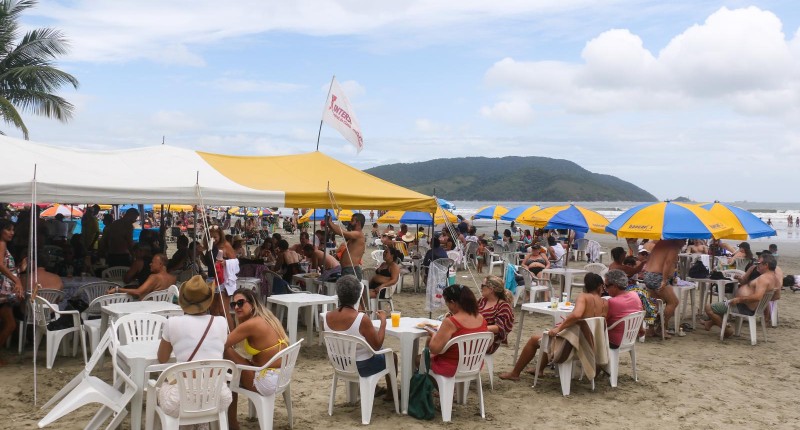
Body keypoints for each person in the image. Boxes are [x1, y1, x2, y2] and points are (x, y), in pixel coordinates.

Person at [499, 273, 607, 381]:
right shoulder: (604, 303)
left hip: (574, 344)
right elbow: (594, 322)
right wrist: (570, 324)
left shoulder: (583, 297)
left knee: (536, 339)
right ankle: (539, 369)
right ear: (599, 286)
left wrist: (560, 328)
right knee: (550, 335)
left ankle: (515, 373)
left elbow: (577, 315)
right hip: (592, 343)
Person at [156, 275, 231, 420]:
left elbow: (162, 358)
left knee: (158, 389)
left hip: (182, 400)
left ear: (183, 301)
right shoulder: (221, 322)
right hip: (218, 398)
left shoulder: (172, 323)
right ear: (208, 302)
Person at [224, 288, 290, 428]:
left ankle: (232, 424)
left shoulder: (251, 324)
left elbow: (222, 344)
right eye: (233, 304)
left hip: (266, 381)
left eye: (241, 303)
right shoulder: (269, 317)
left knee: (227, 365)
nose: (236, 307)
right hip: (282, 376)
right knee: (231, 368)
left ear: (252, 304)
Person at [323, 275, 395, 400]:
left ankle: (375, 389)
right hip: (362, 366)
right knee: (391, 356)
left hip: (339, 363)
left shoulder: (326, 316)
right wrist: (383, 322)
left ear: (339, 294)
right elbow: (377, 346)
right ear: (357, 296)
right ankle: (391, 394)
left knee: (366, 351)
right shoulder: (362, 319)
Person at [703, 253, 780, 337]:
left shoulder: (763, 278)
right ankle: (710, 324)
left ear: (766, 265)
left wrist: (739, 299)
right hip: (752, 308)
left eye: (759, 263)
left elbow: (757, 297)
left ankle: (726, 331)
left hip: (743, 307)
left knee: (709, 308)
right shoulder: (775, 278)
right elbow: (776, 296)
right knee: (721, 306)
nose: (757, 266)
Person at [424, 284, 488, 377]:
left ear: (453, 303)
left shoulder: (451, 322)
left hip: (452, 367)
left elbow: (434, 349)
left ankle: (439, 390)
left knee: (419, 359)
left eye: (447, 303)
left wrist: (433, 335)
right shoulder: (481, 318)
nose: (448, 307)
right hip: (474, 364)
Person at [641, 239, 682, 335]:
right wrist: (664, 280)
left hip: (648, 274)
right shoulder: (673, 247)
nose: (684, 244)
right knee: (673, 302)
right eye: (683, 241)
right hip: (657, 276)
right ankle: (662, 328)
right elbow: (667, 263)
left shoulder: (660, 243)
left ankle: (651, 329)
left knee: (654, 303)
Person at [0, 219, 24, 364]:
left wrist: (20, 268)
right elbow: (0, 266)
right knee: (10, 324)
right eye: (8, 229)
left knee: (9, 324)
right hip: (2, 293)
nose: (12, 233)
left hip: (3, 292)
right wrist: (17, 281)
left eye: (13, 230)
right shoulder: (1, 244)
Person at [604, 270, 644, 348]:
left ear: (614, 286)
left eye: (606, 286)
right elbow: (640, 312)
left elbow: (602, 323)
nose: (605, 289)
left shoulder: (611, 302)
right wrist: (641, 329)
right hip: (630, 338)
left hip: (613, 341)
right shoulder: (635, 295)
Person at [110, 253, 176, 299]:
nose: (150, 264)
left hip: (149, 308)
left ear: (160, 264)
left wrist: (117, 289)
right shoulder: (173, 278)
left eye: (152, 262)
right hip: (163, 307)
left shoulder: (154, 277)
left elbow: (138, 292)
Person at [477, 276, 515, 354]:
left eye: (483, 285)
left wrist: (477, 329)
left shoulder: (503, 306)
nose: (481, 287)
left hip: (488, 341)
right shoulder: (482, 300)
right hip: (476, 335)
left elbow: (499, 327)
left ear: (491, 289)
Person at [327, 212, 366, 280]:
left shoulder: (359, 234)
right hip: (348, 270)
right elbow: (337, 231)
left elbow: (342, 232)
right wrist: (329, 224)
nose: (350, 223)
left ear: (358, 223)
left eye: (352, 220)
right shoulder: (354, 235)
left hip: (352, 270)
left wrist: (330, 222)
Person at [81, 204, 101, 269]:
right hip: (86, 241)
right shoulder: (87, 218)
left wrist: (92, 244)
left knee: (89, 260)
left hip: (90, 242)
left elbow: (97, 232)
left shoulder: (92, 219)